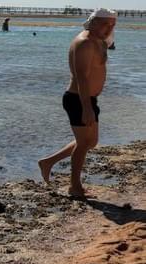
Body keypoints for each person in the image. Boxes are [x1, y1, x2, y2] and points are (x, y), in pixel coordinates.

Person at [38, 9, 116, 199]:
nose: (110, 28)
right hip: (78, 99)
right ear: (94, 22)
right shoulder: (84, 43)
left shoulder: (99, 39)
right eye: (106, 24)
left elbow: (108, 43)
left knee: (91, 141)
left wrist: (107, 34)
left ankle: (48, 162)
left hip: (89, 99)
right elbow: (81, 77)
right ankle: (75, 187)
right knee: (83, 144)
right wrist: (86, 107)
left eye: (113, 25)